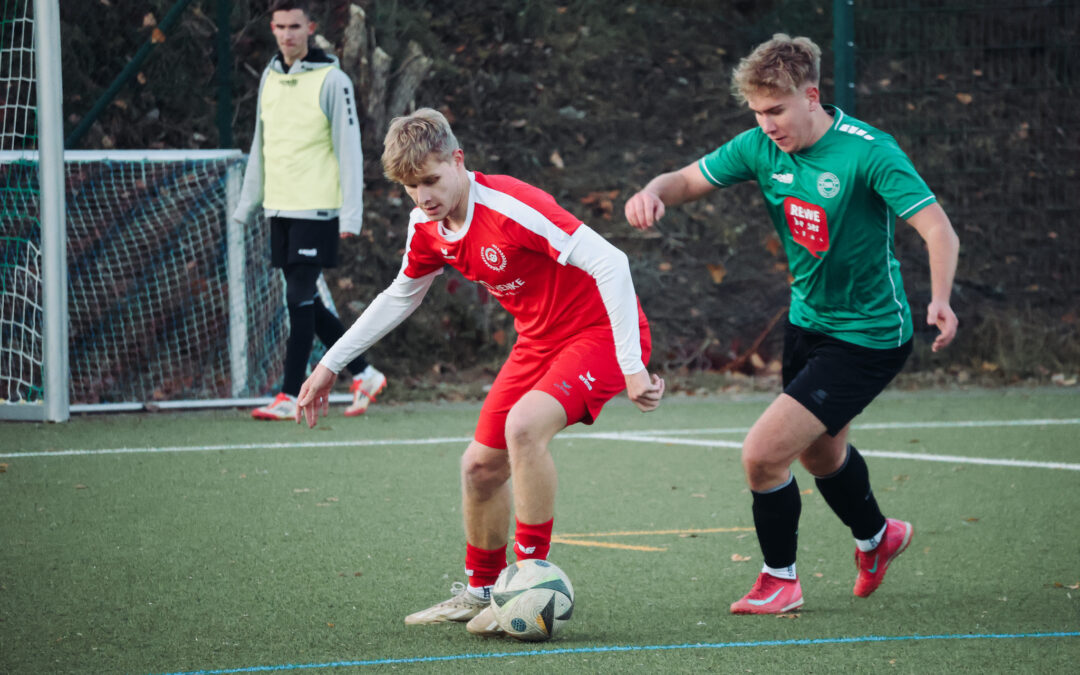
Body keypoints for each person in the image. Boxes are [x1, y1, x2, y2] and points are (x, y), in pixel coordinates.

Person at [296, 108, 665, 635]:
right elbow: (400, 295)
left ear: (458, 160)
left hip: (598, 334)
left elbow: (612, 263)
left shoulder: (512, 205)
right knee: (479, 469)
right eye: (410, 187)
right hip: (538, 341)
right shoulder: (426, 224)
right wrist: (332, 363)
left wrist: (632, 366)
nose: (422, 196)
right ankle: (481, 592)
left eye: (431, 179)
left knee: (523, 428)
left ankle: (528, 584)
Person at [625, 34, 959, 614]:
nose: (766, 124)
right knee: (820, 455)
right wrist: (653, 192)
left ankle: (780, 580)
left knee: (761, 455)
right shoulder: (761, 147)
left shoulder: (869, 151)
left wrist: (943, 298)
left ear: (812, 95)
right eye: (757, 112)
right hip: (807, 324)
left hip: (869, 335)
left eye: (776, 110)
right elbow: (686, 180)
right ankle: (879, 538)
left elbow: (938, 230)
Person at [233, 0, 386, 421]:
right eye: (279, 27)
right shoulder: (269, 76)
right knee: (303, 302)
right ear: (272, 29)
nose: (287, 34)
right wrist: (249, 203)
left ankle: (287, 394)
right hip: (279, 208)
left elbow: (349, 149)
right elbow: (261, 144)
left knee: (298, 298)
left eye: (295, 26)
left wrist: (351, 214)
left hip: (317, 208)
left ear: (310, 28)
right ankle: (364, 371)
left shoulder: (332, 80)